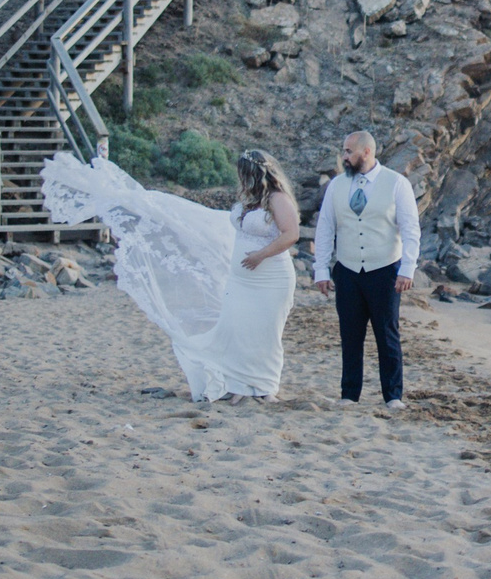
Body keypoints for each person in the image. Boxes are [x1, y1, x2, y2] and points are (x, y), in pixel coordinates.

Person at [37, 145, 302, 401]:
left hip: (270, 279)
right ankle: (238, 383)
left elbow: (291, 234)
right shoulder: (249, 200)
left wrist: (260, 255)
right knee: (236, 328)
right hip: (242, 280)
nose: (241, 179)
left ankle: (263, 387)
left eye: (244, 173)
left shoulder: (277, 199)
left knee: (263, 330)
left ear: (256, 173)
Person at [311, 129, 419, 410]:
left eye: (348, 151)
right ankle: (349, 394)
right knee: (350, 334)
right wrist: (321, 269)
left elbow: (410, 228)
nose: (344, 157)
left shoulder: (397, 184)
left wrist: (408, 267)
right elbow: (325, 228)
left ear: (366, 152)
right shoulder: (336, 186)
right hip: (347, 270)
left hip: (385, 269)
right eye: (344, 151)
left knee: (387, 333)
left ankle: (393, 396)